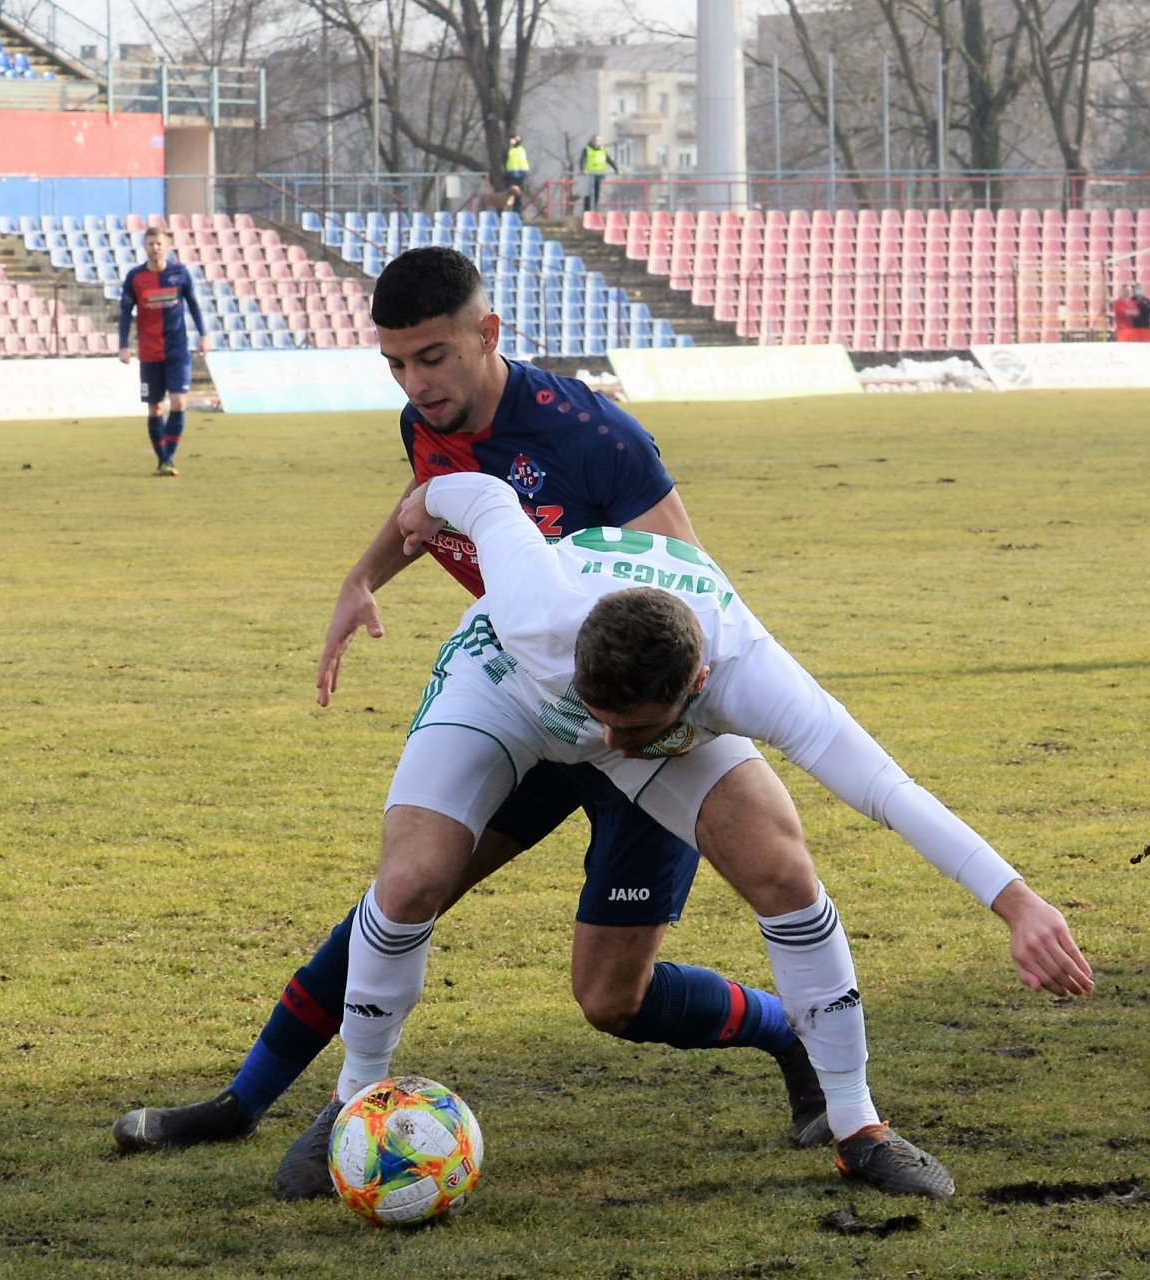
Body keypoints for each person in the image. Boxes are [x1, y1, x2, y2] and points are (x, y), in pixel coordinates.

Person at [114, 247, 830, 1198]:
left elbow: (686, 589)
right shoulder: (428, 420)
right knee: (405, 890)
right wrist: (360, 578)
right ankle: (250, 1102)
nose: (417, 384)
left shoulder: (593, 435)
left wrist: (651, 720)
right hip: (526, 718)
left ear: (487, 335)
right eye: (398, 365)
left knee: (611, 999)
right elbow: (428, 508)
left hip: (634, 735)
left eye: (434, 357)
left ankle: (791, 1036)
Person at [329, 469, 1095, 1198]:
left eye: (625, 729)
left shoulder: (748, 672)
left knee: (783, 871)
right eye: (599, 718)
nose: (606, 742)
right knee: (410, 881)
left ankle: (858, 1124)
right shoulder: (540, 608)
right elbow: (487, 496)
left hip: (665, 721)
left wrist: (1017, 903)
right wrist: (425, 501)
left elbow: (889, 791)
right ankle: (354, 1102)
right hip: (504, 688)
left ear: (698, 685)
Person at [116, 224, 207, 477]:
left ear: (166, 246)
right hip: (149, 353)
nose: (155, 248)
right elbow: (125, 312)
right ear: (145, 247)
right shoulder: (135, 277)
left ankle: (168, 459)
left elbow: (194, 305)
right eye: (150, 244)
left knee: (178, 402)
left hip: (177, 351)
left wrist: (204, 335)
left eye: (159, 244)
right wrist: (123, 345)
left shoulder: (180, 273)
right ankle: (164, 461)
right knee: (155, 408)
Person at [580, 134, 619, 213]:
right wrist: (583, 169)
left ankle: (594, 208)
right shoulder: (587, 149)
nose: (597, 142)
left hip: (599, 174)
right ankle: (588, 209)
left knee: (597, 192)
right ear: (592, 141)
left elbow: (609, 160)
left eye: (598, 140)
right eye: (595, 140)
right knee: (589, 192)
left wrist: (616, 169)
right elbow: (582, 160)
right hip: (590, 175)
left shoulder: (603, 150)